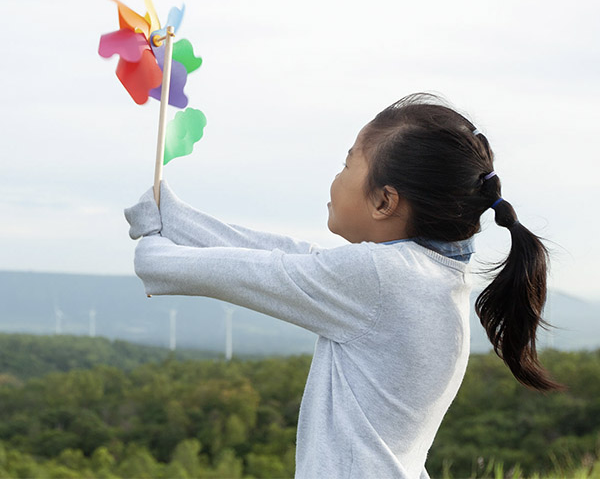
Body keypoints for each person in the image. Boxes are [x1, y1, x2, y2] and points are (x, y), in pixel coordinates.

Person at [125, 93, 561, 479]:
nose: (336, 177)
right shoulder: (432, 273)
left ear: (384, 201)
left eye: (347, 163)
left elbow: (253, 272)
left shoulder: (382, 278)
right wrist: (175, 219)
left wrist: (156, 252)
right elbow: (297, 260)